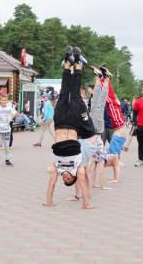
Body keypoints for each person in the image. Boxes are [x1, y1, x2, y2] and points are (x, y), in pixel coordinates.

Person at [44, 46, 95, 210]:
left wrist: (49, 201)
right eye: (68, 180)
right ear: (72, 178)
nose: (65, 178)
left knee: (64, 92)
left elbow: (52, 182)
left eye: (64, 181)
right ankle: (78, 62)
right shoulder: (77, 168)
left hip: (59, 121)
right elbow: (83, 180)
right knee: (75, 93)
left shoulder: (56, 168)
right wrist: (86, 203)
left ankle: (68, 61)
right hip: (73, 123)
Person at [0, 93, 18, 166]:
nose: (4, 101)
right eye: (2, 100)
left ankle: (7, 159)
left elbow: (16, 113)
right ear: (0, 101)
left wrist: (11, 118)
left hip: (7, 130)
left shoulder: (9, 108)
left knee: (7, 145)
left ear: (7, 101)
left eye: (5, 100)